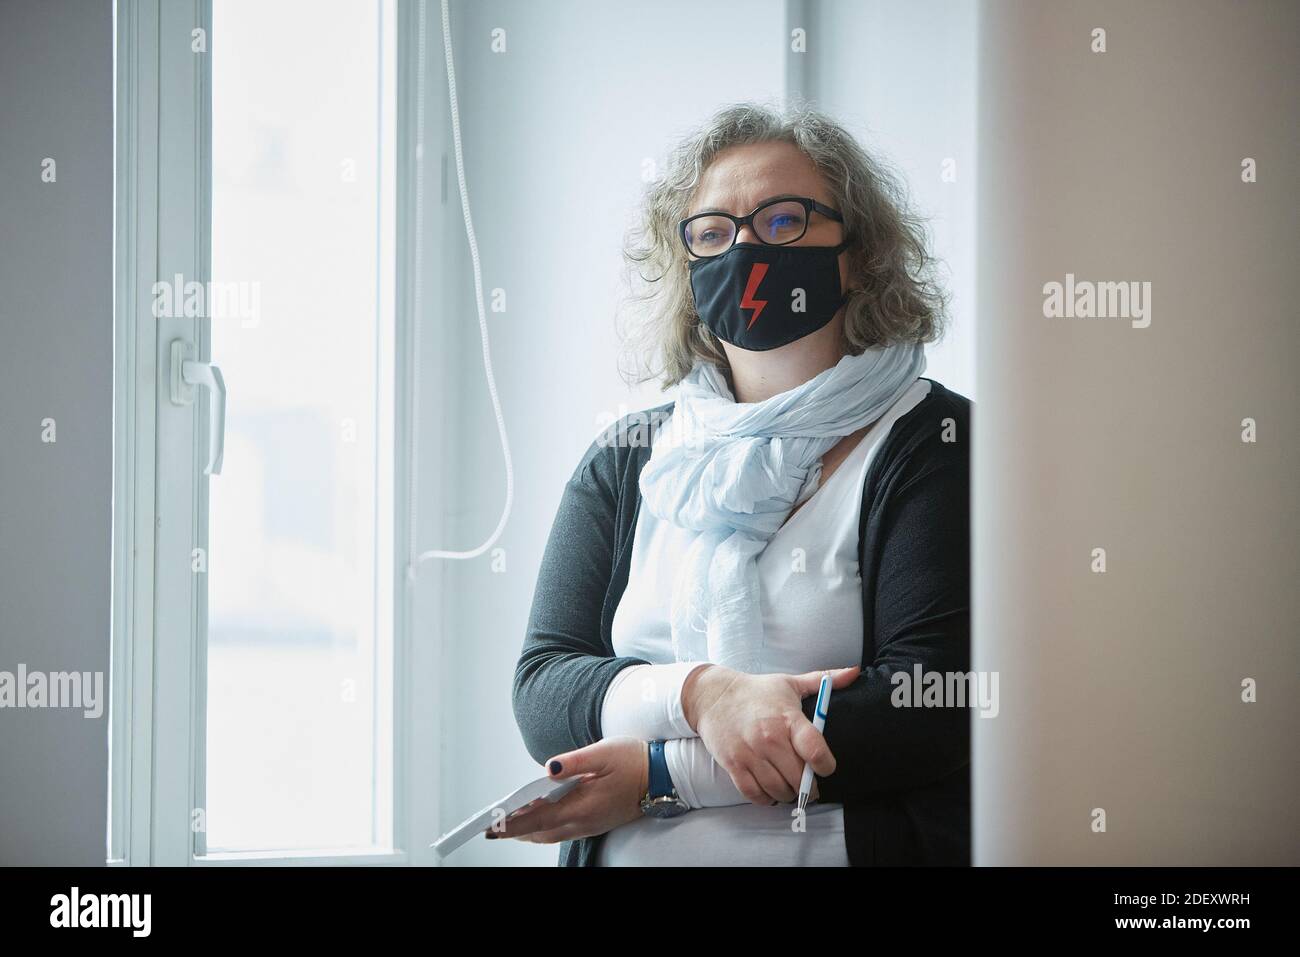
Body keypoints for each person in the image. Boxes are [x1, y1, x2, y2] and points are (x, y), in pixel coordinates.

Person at [504, 101, 971, 865]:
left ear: (859, 253)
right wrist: (699, 693)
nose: (747, 249)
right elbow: (546, 687)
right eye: (714, 233)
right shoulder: (628, 458)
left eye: (784, 222)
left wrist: (663, 772)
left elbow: (929, 708)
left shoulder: (936, 445)